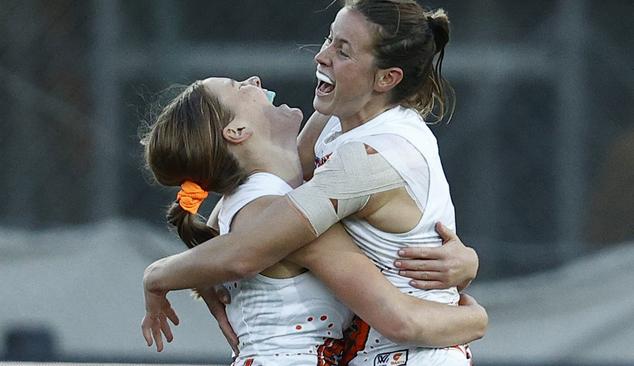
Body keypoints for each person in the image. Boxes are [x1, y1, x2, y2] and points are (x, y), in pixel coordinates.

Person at [143, 1, 483, 364]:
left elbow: (245, 248)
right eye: (329, 38)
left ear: (386, 78)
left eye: (343, 50)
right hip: (375, 343)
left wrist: (159, 274)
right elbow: (253, 218)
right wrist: (204, 264)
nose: (321, 55)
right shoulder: (337, 120)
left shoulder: (369, 159)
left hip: (415, 350)